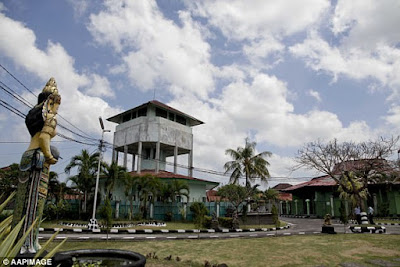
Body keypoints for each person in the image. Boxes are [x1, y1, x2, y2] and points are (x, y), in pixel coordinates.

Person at [13, 78, 61, 254]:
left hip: (26, 156)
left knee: (21, 203)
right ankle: (28, 244)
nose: (57, 108)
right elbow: (43, 138)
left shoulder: (33, 114)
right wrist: (49, 156)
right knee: (34, 204)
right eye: (56, 104)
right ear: (51, 101)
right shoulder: (50, 116)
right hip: (39, 159)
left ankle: (17, 240)